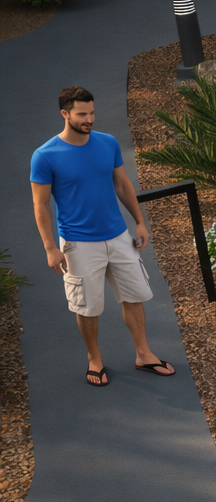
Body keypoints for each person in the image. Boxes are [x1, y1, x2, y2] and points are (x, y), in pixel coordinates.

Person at [30, 86, 174, 387]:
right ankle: (94, 358)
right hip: (78, 244)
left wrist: (139, 222)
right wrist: (49, 247)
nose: (90, 119)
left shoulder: (107, 144)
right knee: (88, 306)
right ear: (65, 114)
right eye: (82, 114)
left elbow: (122, 184)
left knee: (135, 296)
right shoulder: (45, 156)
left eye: (92, 112)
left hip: (119, 237)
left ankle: (144, 354)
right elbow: (40, 204)